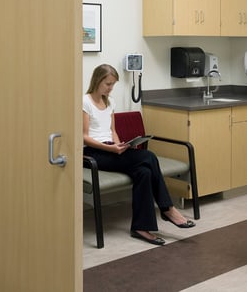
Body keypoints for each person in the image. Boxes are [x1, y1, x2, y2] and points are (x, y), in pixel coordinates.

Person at [83, 64, 195, 245]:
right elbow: (84, 137)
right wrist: (111, 149)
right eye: (108, 84)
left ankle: (140, 228)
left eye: (113, 85)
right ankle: (168, 209)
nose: (111, 88)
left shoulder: (110, 102)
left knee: (144, 172)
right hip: (93, 153)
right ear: (97, 81)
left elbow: (112, 131)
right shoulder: (85, 102)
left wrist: (120, 144)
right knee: (149, 156)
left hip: (111, 148)